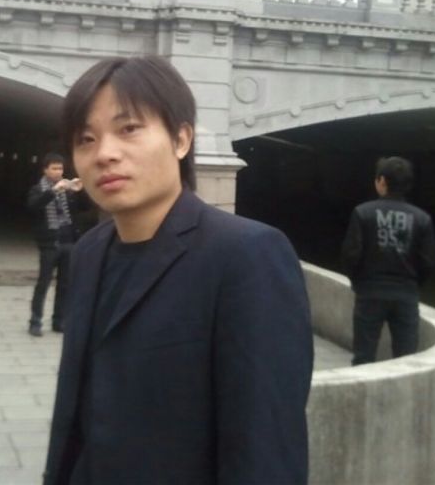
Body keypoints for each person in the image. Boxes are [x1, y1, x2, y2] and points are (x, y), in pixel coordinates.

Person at [43, 56, 313, 485]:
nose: (105, 154)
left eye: (129, 129)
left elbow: (265, 447)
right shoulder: (89, 251)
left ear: (181, 139)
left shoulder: (245, 255)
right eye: (86, 139)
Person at [341, 156, 435, 365]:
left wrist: (359, 283)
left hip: (369, 292)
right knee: (406, 359)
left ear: (382, 181)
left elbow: (351, 255)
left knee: (364, 356)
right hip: (406, 294)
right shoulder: (422, 219)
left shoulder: (363, 213)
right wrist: (413, 285)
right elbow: (430, 262)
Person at [27, 153, 84, 337]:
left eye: (60, 168)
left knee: (65, 284)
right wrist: (53, 191)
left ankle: (59, 321)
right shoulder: (38, 189)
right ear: (45, 170)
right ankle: (35, 321)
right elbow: (34, 206)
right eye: (54, 168)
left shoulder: (66, 190)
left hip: (68, 242)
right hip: (49, 244)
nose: (58, 172)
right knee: (43, 283)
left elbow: (80, 211)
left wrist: (78, 191)